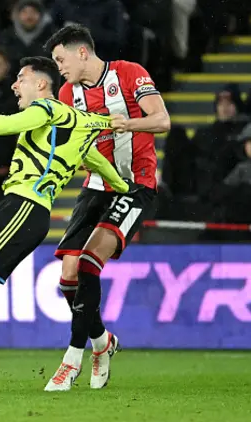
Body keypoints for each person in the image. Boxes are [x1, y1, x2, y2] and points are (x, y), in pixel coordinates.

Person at [0, 56, 141, 395]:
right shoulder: (79, 123)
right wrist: (126, 188)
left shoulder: (48, 110)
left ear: (41, 84)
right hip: (16, 207)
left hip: (25, 207)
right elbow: (97, 162)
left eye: (20, 78)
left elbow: (5, 124)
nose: (13, 85)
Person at [43, 24, 170, 391]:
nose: (60, 68)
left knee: (87, 263)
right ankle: (101, 341)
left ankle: (72, 360)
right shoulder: (68, 93)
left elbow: (162, 120)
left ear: (81, 52)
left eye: (61, 59)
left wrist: (126, 123)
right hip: (95, 186)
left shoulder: (130, 73)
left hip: (135, 186)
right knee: (67, 278)